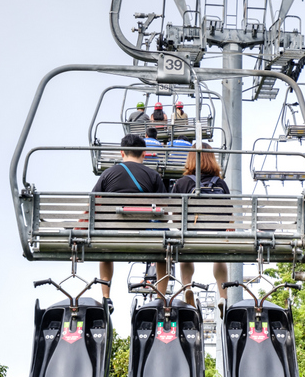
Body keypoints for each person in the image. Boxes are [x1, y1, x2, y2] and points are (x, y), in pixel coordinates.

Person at [93, 134, 169, 307]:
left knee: (105, 250)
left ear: (122, 153)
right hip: (146, 235)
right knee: (163, 253)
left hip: (113, 235)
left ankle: (106, 297)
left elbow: (93, 202)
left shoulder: (108, 174)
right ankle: (160, 298)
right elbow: (165, 209)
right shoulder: (153, 175)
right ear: (144, 154)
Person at [171, 143, 229, 315]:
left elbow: (174, 215)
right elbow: (229, 214)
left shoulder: (181, 183)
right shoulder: (220, 183)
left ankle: (187, 286)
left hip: (190, 235)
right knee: (220, 255)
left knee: (184, 250)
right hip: (215, 236)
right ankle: (223, 296)